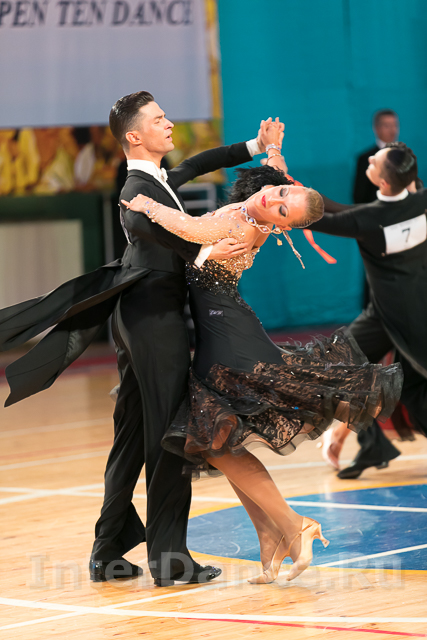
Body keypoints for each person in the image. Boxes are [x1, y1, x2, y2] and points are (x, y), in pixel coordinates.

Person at [0, 92, 277, 586]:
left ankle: (107, 550)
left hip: (140, 316)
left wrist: (254, 146)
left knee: (130, 436)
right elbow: (143, 225)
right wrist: (203, 252)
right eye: (158, 119)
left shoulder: (158, 179)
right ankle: (170, 561)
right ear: (134, 135)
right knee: (171, 432)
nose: (169, 123)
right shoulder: (136, 188)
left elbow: (198, 162)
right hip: (152, 318)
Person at [121, 134, 402, 583]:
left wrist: (146, 205)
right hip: (227, 329)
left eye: (283, 208)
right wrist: (270, 154)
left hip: (227, 341)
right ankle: (270, 532)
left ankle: (292, 524)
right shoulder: (257, 207)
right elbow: (270, 185)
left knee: (215, 442)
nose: (276, 198)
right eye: (282, 192)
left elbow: (189, 230)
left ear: (281, 227)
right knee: (220, 442)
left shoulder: (240, 224)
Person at [306, 142, 427, 479]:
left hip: (405, 319)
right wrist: (289, 184)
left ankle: (364, 441)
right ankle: (370, 443)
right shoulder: (419, 202)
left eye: (374, 161)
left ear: (383, 182)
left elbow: (317, 217)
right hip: (401, 312)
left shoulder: (368, 220)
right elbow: (345, 210)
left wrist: (281, 197)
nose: (370, 159)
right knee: (348, 370)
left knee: (343, 369)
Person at [353, 109, 399, 204]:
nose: (392, 130)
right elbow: (360, 196)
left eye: (395, 125)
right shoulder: (365, 158)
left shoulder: (405, 156)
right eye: (387, 126)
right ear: (377, 129)